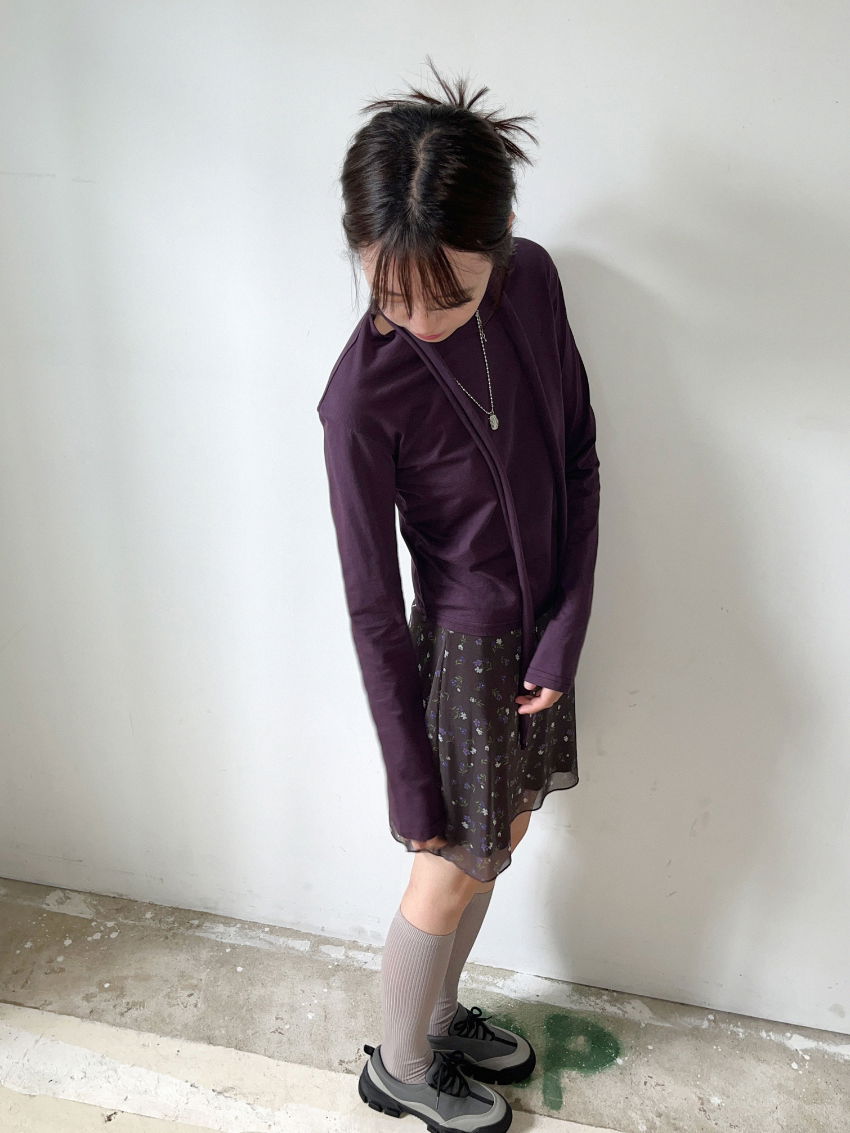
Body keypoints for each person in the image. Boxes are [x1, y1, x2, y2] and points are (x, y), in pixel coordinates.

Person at [316, 58, 601, 1133]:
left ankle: (436, 1018)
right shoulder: (360, 399)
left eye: (451, 295)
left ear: (503, 240)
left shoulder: (534, 281)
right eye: (389, 293)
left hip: (538, 637)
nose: (420, 319)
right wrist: (407, 777)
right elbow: (369, 604)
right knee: (447, 864)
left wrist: (565, 630)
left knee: (501, 842)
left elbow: (577, 457)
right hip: (462, 648)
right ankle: (398, 1066)